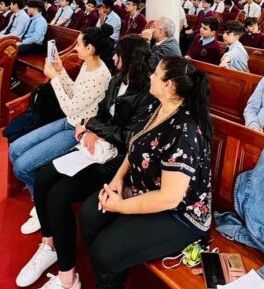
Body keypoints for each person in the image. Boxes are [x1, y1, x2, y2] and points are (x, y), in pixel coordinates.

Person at [16, 36, 157, 288]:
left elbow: (130, 136)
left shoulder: (147, 92)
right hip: (96, 147)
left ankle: (68, 277)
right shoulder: (116, 80)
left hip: (116, 161)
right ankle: (49, 245)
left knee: (58, 196)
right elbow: (101, 112)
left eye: (118, 54)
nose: (114, 58)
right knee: (45, 178)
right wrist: (92, 129)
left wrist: (94, 127)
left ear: (130, 59)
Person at [79, 57, 212, 289]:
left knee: (104, 252)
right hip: (143, 188)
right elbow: (135, 147)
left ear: (169, 85)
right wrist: (117, 179)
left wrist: (119, 206)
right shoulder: (156, 106)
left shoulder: (184, 131)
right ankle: (112, 275)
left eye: (156, 74)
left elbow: (169, 198)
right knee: (91, 214)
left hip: (179, 212)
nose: (150, 76)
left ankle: (109, 271)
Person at [9, 28, 112, 198]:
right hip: (70, 120)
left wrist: (55, 78)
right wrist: (60, 70)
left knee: (21, 167)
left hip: (79, 130)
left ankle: (40, 201)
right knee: (15, 149)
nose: (75, 48)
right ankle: (40, 195)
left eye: (79, 44)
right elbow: (74, 93)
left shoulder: (100, 75)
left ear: (90, 49)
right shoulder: (88, 65)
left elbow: (70, 107)